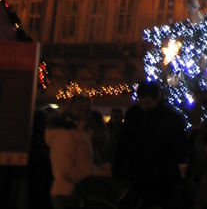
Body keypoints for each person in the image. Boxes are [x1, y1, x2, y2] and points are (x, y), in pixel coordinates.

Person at [113, 80, 186, 209]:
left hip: (159, 177)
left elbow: (178, 148)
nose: (145, 107)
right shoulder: (135, 114)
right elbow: (123, 143)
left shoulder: (170, 118)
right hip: (139, 174)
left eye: (148, 103)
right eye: (142, 103)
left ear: (157, 98)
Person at [45, 96, 110, 208]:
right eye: (85, 110)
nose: (88, 114)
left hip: (77, 192)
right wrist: (94, 174)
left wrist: (99, 172)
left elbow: (83, 163)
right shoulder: (66, 135)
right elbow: (65, 169)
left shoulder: (82, 134)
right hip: (68, 193)